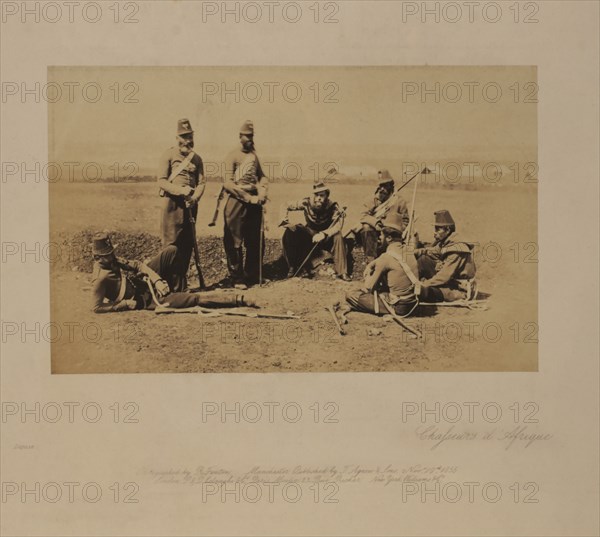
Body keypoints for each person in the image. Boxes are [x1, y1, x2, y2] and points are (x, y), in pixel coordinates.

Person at [90, 233, 251, 314]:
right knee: (192, 299)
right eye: (106, 256)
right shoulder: (100, 279)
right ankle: (236, 300)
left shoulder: (111, 260)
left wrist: (157, 280)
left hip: (140, 282)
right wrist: (124, 305)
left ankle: (176, 288)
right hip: (142, 299)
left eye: (111, 253)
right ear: (96, 257)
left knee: (171, 251)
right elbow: (97, 307)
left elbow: (138, 265)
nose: (111, 257)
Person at [157, 118, 205, 292]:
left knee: (187, 245)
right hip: (172, 206)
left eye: (190, 136)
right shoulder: (168, 155)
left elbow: (202, 183)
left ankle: (181, 287)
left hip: (190, 207)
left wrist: (195, 198)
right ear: (177, 137)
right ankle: (166, 286)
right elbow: (161, 181)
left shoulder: (197, 158)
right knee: (170, 246)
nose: (188, 140)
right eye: (184, 136)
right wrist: (180, 190)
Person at [344, 211, 419, 317]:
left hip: (398, 307)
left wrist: (368, 273)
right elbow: (392, 261)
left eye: (381, 235)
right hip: (412, 303)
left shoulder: (385, 259)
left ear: (389, 238)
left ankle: (378, 309)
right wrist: (373, 263)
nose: (379, 238)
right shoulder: (408, 251)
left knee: (351, 295)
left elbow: (368, 287)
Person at [222, 120, 268, 288]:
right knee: (234, 240)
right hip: (236, 201)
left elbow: (262, 176)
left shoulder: (254, 156)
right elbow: (227, 183)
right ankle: (237, 277)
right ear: (240, 137)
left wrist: (263, 189)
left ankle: (252, 275)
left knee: (255, 239)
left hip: (254, 202)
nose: (249, 139)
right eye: (246, 136)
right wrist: (247, 197)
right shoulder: (232, 156)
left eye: (251, 136)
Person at [280, 182, 351, 281]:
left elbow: (338, 226)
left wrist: (324, 233)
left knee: (338, 236)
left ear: (327, 196)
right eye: (316, 195)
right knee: (290, 230)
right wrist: (285, 221)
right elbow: (285, 204)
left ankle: (342, 272)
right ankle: (292, 266)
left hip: (325, 236)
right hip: (309, 235)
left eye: (322, 195)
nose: (318, 198)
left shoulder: (332, 206)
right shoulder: (306, 202)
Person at [414, 210, 477, 302]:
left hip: (459, 287)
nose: (435, 232)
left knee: (425, 292)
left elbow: (444, 277)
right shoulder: (446, 241)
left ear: (447, 230)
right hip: (450, 280)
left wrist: (424, 284)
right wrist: (414, 252)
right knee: (423, 259)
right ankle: (410, 283)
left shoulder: (457, 249)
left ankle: (415, 288)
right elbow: (430, 251)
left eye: (438, 229)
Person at [346, 169, 410, 259]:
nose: (382, 189)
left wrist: (395, 230)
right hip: (374, 233)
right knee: (366, 227)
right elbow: (363, 215)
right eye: (381, 186)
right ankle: (370, 258)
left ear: (391, 185)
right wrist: (376, 223)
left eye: (385, 186)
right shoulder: (373, 199)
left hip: (392, 235)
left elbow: (405, 221)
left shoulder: (399, 201)